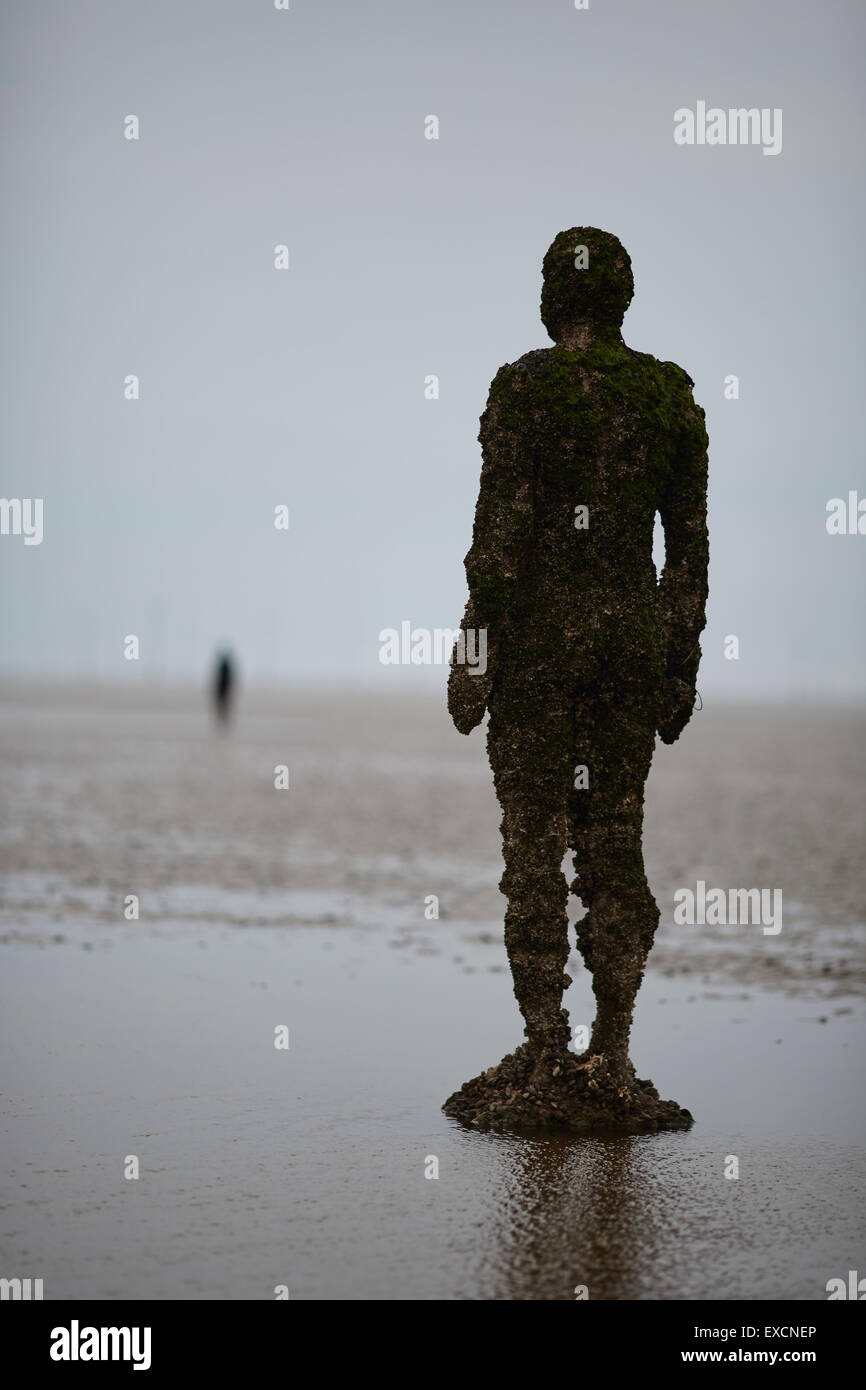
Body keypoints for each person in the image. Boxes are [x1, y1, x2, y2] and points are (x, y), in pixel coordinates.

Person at [445, 228, 708, 1131]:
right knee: (614, 839)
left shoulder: (525, 390)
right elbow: (689, 554)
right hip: (630, 644)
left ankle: (549, 1048)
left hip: (542, 643)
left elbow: (499, 547)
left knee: (534, 845)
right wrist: (681, 655)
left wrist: (472, 660)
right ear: (623, 298)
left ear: (552, 298)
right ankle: (617, 1051)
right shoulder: (669, 397)